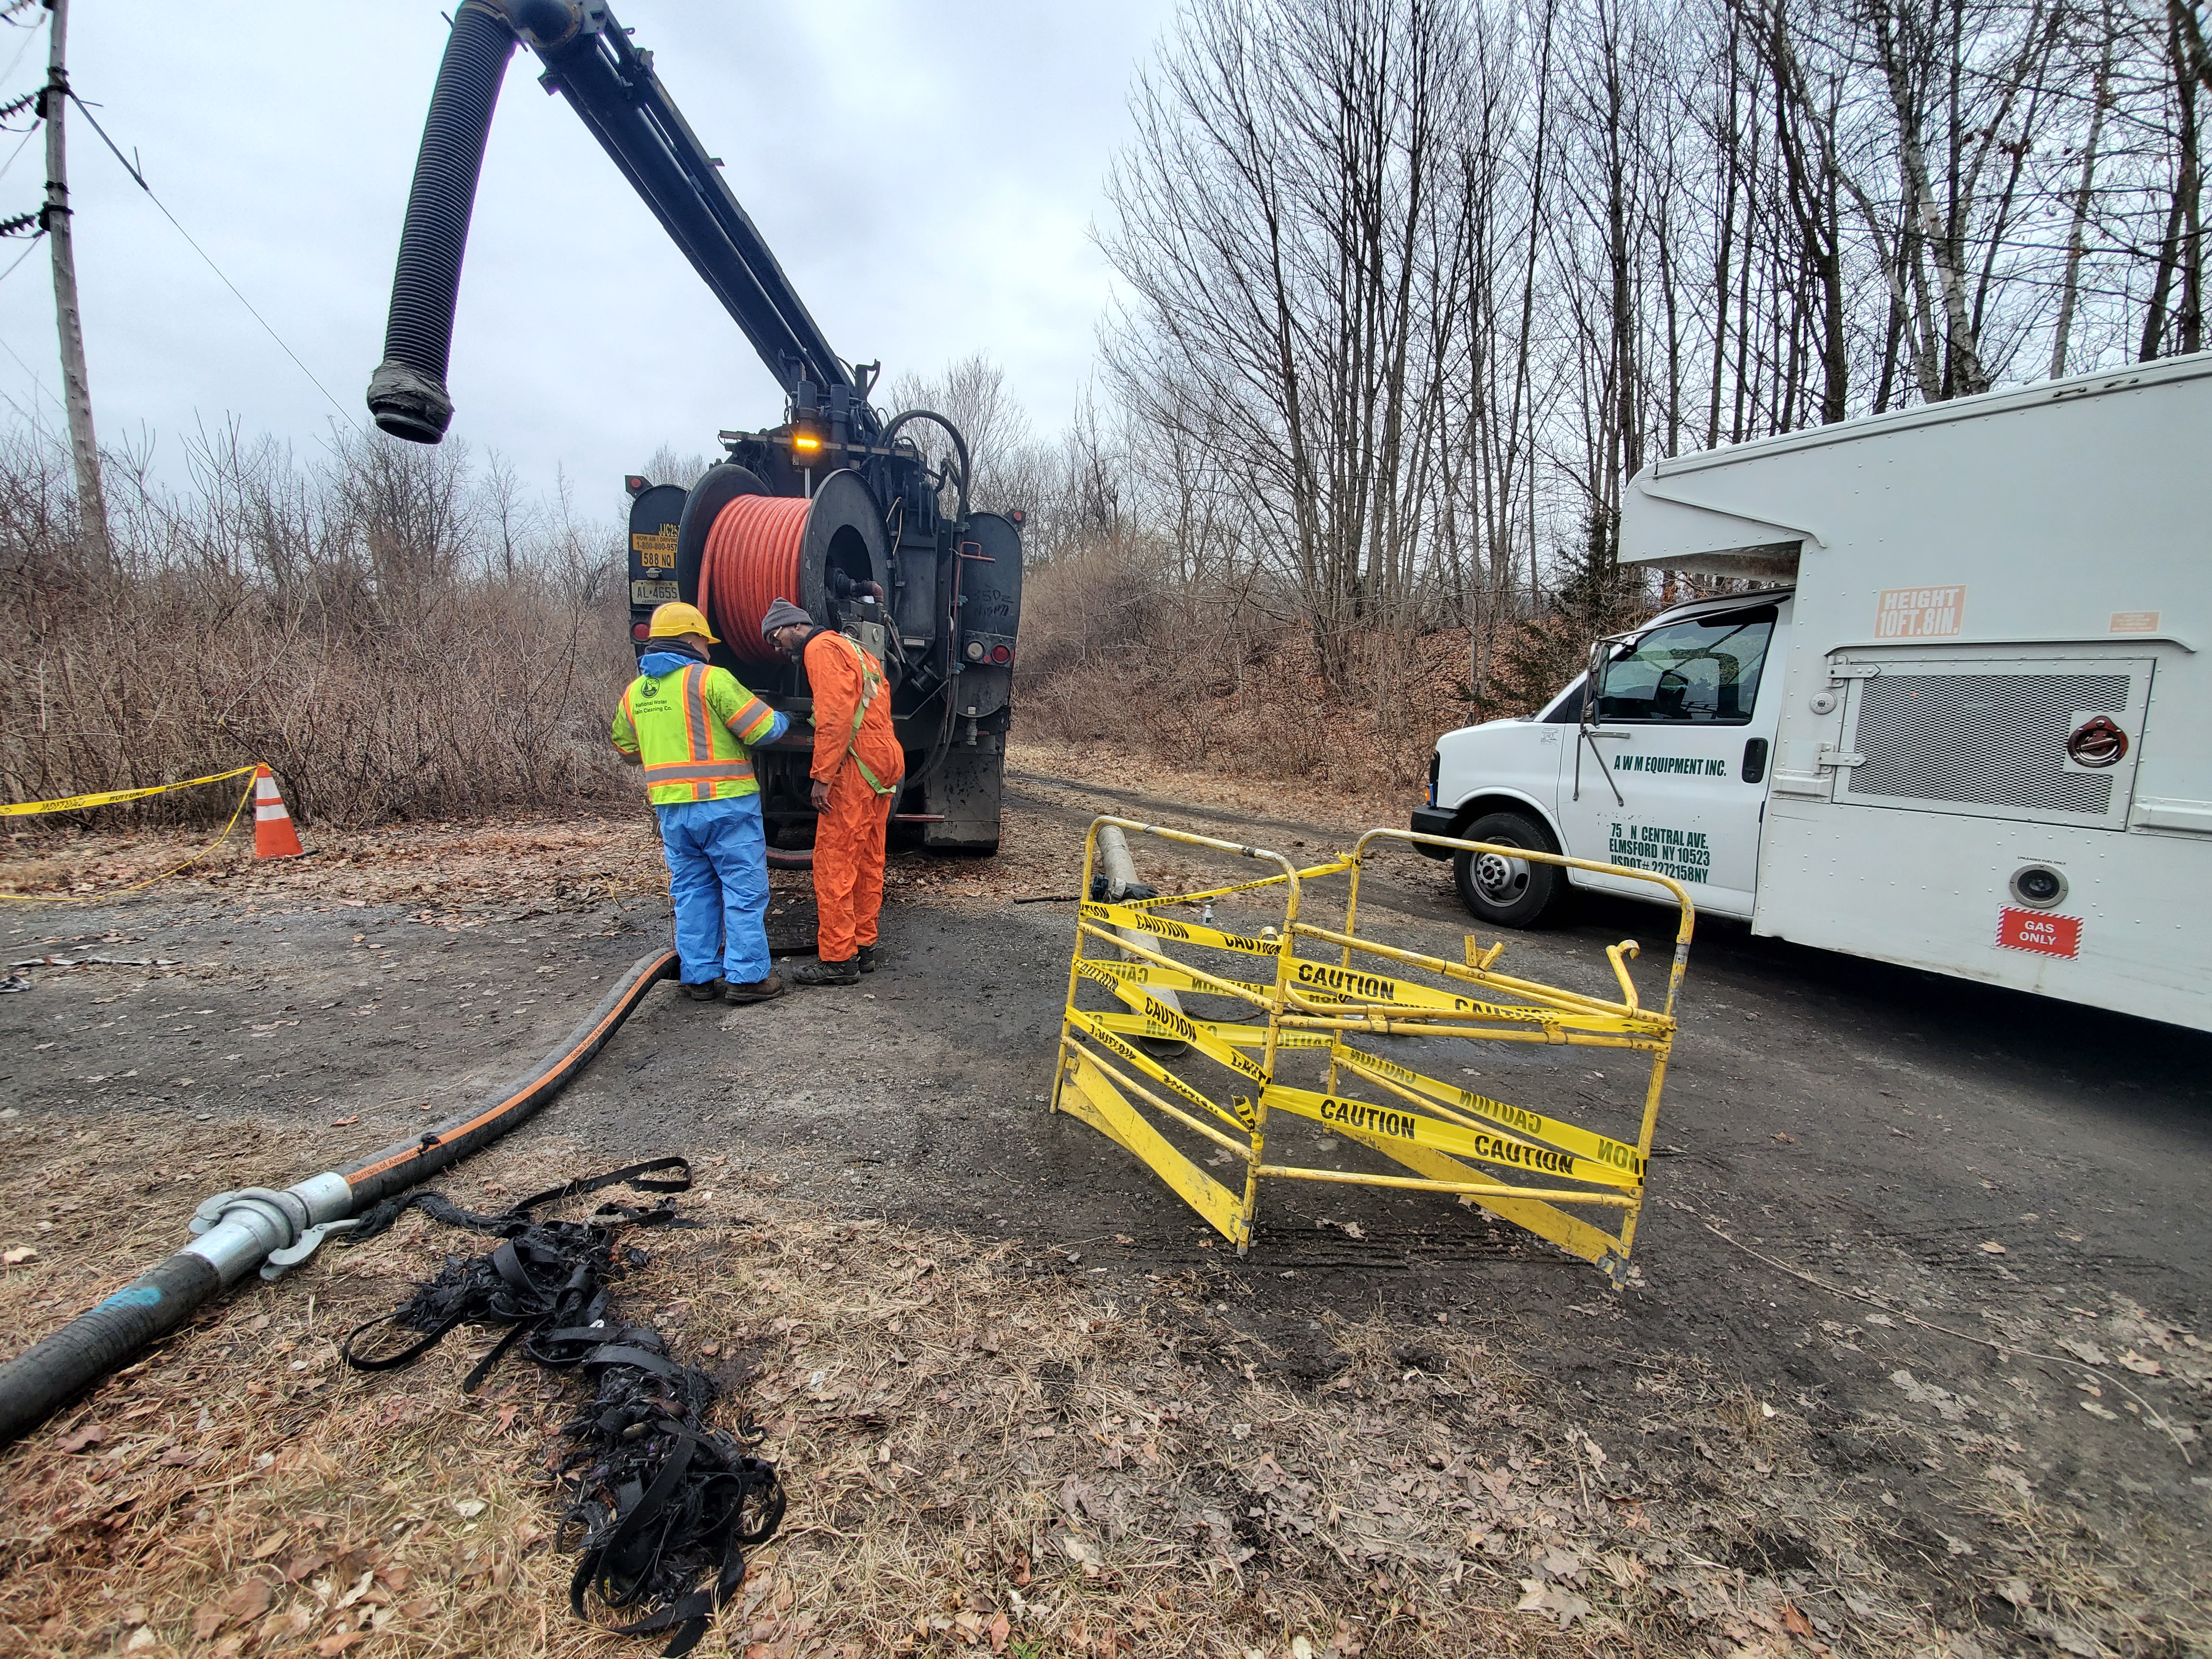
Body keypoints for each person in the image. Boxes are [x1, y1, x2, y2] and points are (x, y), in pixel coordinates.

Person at [611, 601, 790, 1003]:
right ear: (692, 639)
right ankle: (747, 979)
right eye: (706, 641)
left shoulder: (635, 692)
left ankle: (699, 977)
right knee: (743, 892)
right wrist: (785, 719)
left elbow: (626, 749)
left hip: (673, 812)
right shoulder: (709, 680)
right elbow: (763, 730)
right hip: (726, 807)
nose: (709, 649)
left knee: (692, 891)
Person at [761, 598, 904, 986]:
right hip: (884, 755)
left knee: (835, 862)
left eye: (776, 639)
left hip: (856, 764)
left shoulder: (820, 650)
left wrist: (822, 775)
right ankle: (864, 946)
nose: (778, 649)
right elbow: (878, 698)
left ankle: (839, 959)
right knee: (868, 858)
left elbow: (835, 716)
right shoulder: (854, 646)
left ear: (793, 627)